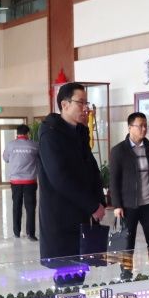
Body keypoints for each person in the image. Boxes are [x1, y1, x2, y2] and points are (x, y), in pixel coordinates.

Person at [37, 82, 105, 263]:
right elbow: (60, 178)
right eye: (80, 102)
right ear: (64, 105)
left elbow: (91, 168)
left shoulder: (80, 131)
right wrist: (92, 205)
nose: (85, 108)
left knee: (81, 270)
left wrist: (99, 201)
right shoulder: (50, 134)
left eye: (86, 103)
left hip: (81, 214)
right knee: (66, 272)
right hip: (60, 217)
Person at [109, 112, 149, 278]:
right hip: (128, 205)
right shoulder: (119, 151)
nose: (144, 129)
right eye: (140, 126)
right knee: (127, 241)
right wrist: (117, 205)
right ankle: (126, 272)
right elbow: (114, 180)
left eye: (145, 125)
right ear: (130, 128)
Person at [2, 124, 39, 241]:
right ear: (27, 133)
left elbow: (6, 158)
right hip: (30, 181)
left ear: (17, 133)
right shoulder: (34, 145)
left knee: (16, 206)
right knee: (30, 207)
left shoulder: (10, 145)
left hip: (16, 181)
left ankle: (16, 232)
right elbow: (39, 159)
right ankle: (30, 234)